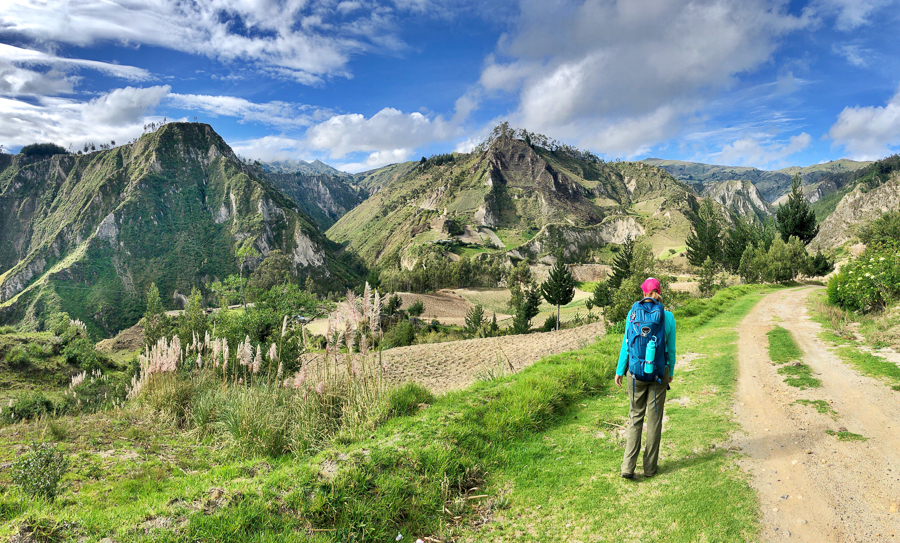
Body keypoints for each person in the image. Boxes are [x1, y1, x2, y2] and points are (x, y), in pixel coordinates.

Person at [614, 277, 676, 479]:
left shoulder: (632, 314)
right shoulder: (668, 317)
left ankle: (627, 467)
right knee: (654, 420)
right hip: (659, 373)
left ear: (644, 293)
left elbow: (626, 345)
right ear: (659, 292)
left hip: (635, 374)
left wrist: (620, 370)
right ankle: (650, 468)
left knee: (635, 417)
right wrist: (671, 372)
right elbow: (671, 350)